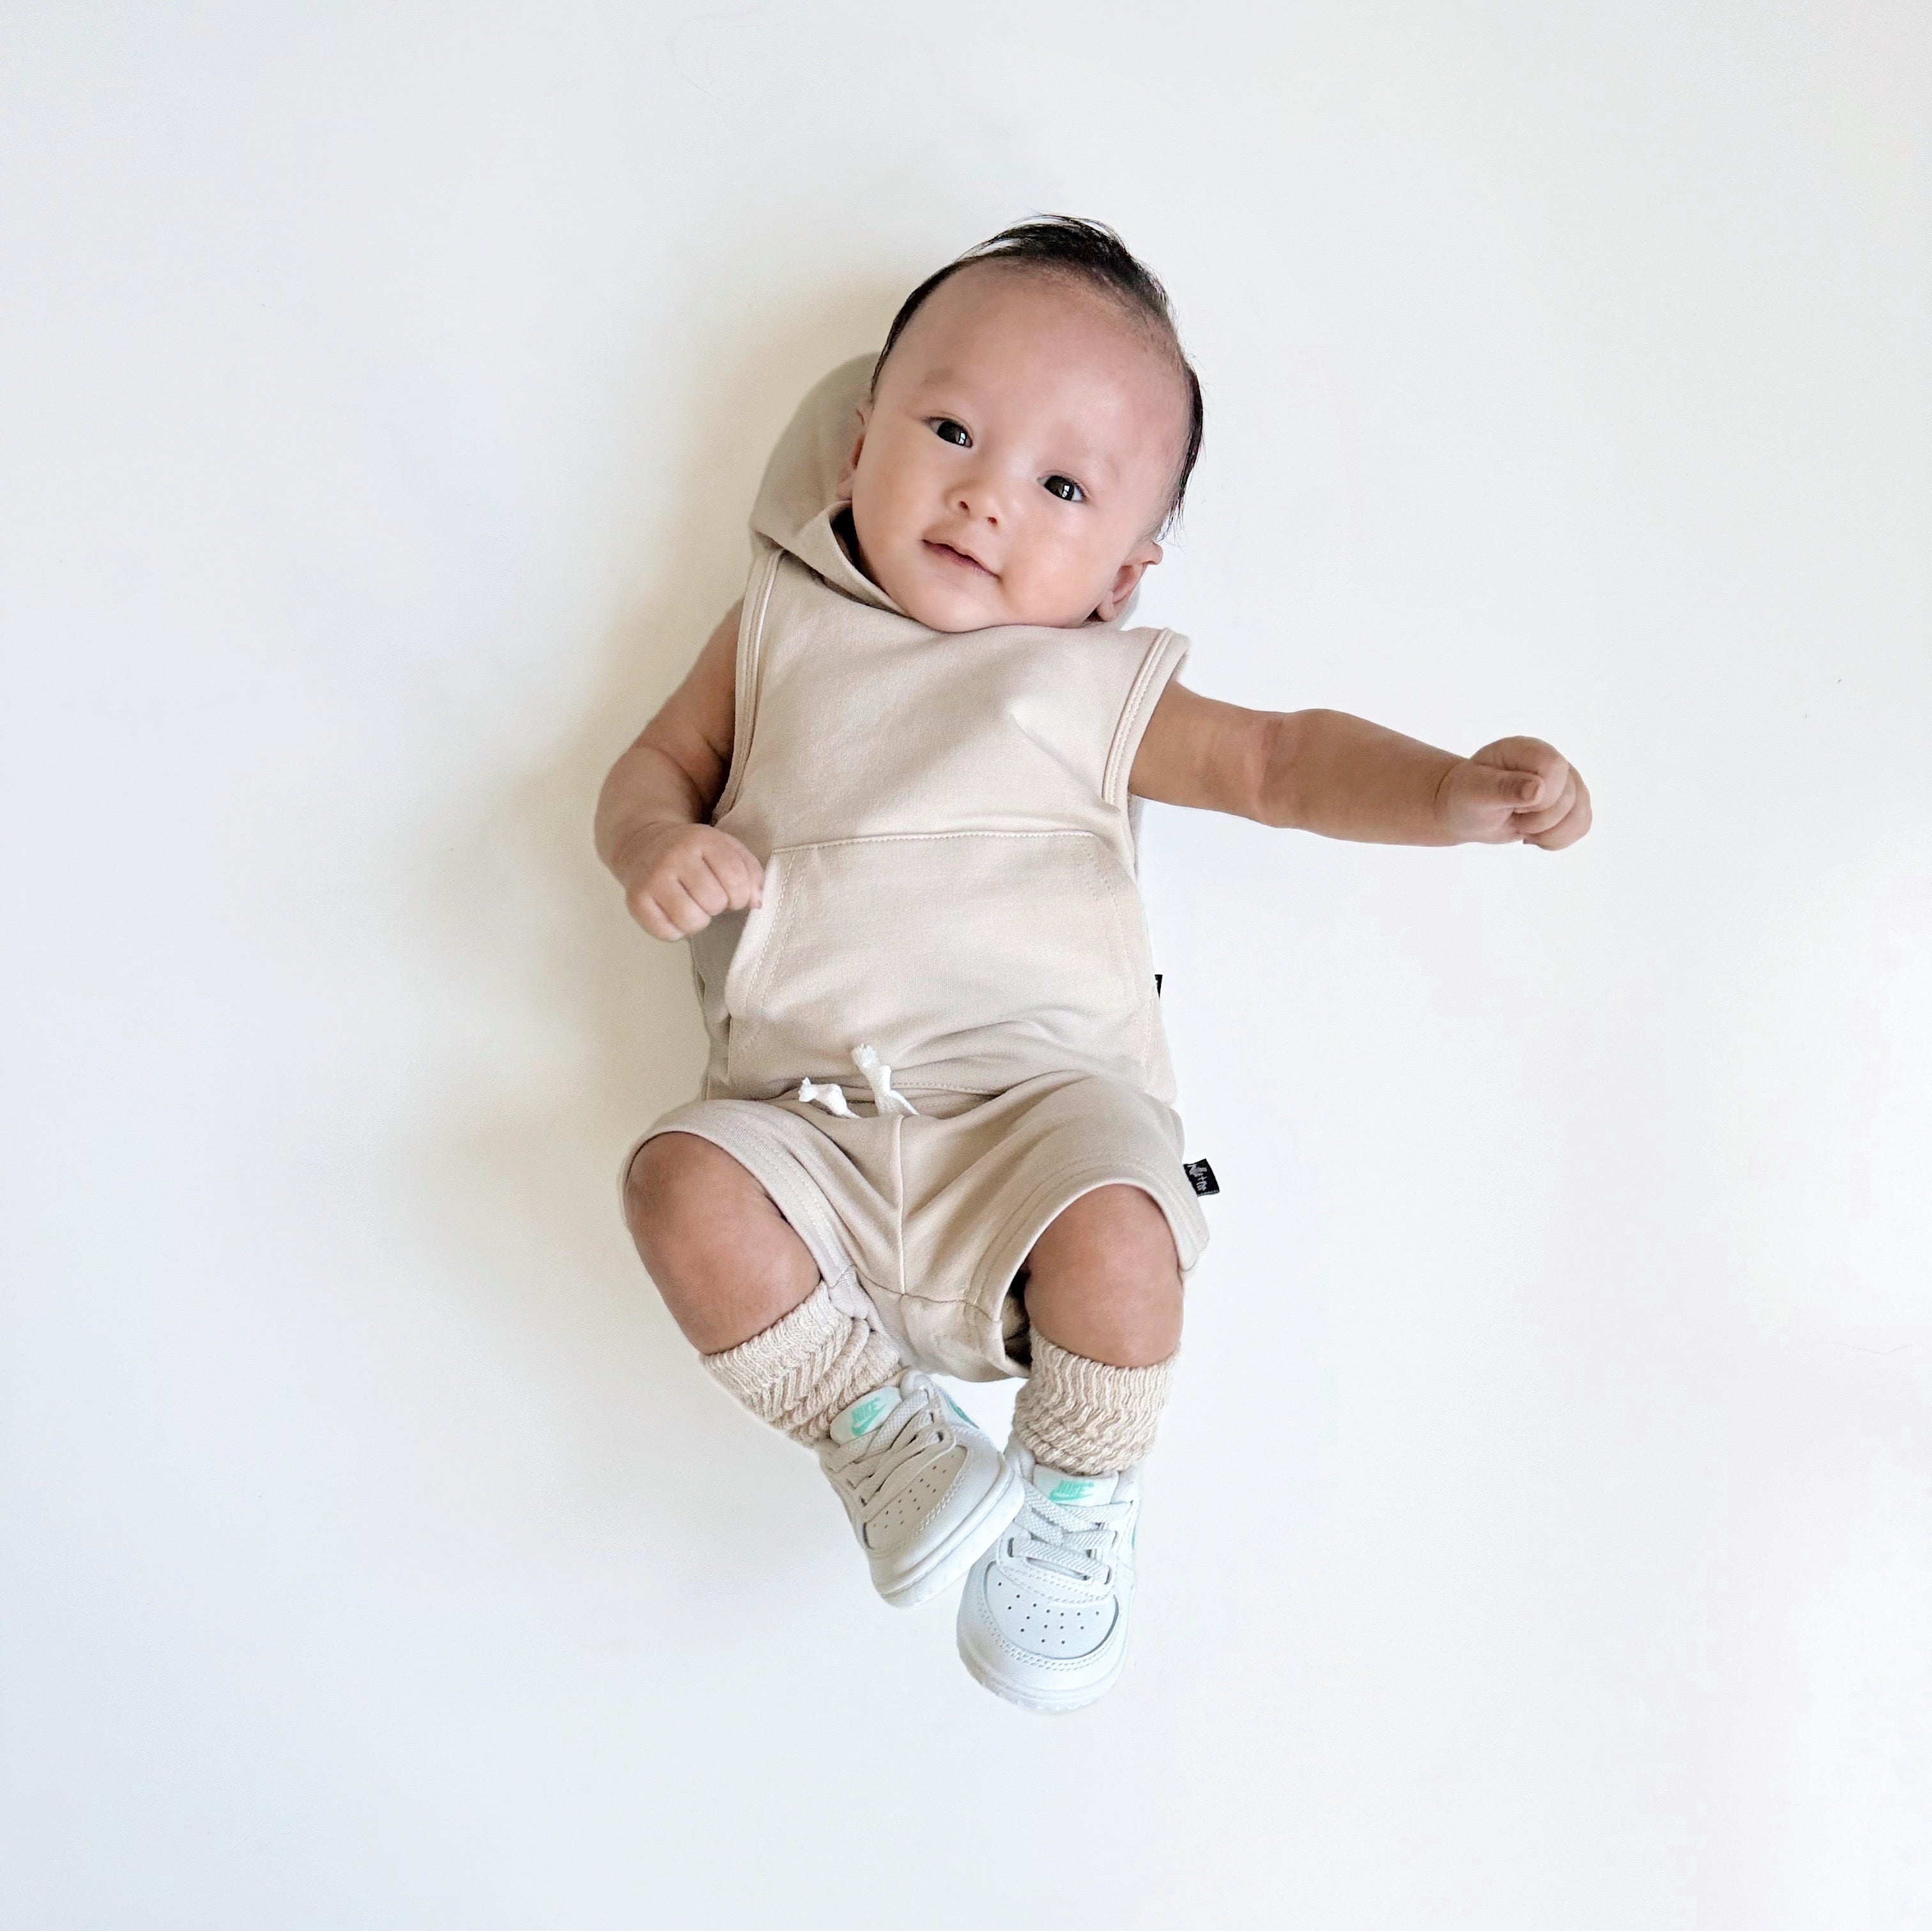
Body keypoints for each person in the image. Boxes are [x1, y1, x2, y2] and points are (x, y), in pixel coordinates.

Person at [594, 217, 1591, 1713]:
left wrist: (1449, 793)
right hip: (807, 1127)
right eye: (950, 431)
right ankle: (879, 1436)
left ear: (1123, 576)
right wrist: (652, 841)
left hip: (1039, 1117)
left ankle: (1073, 1500)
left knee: (1127, 1233)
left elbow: (1276, 762)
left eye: (1061, 487)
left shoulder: (1090, 682)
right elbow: (653, 763)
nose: (986, 496)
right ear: (859, 442)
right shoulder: (777, 632)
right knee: (675, 1182)